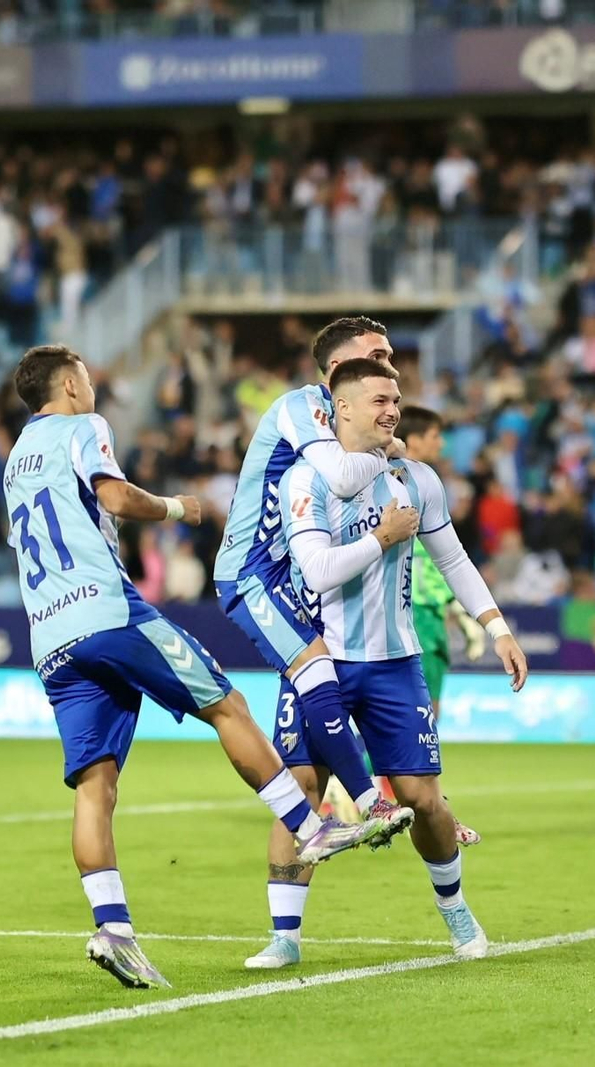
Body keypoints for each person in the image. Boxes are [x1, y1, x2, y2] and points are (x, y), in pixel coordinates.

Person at [4, 344, 392, 990]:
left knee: (95, 786)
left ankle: (114, 928)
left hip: (50, 636)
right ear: (70, 386)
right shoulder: (83, 427)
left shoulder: (16, 459)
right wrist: (177, 507)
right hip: (107, 612)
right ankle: (308, 825)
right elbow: (116, 497)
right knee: (227, 705)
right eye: (88, 378)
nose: (93, 389)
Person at [244, 358, 529, 970]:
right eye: (378, 399)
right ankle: (285, 936)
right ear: (340, 408)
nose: (391, 409)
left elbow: (453, 561)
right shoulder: (304, 479)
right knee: (301, 790)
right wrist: (381, 538)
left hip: (395, 664)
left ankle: (456, 913)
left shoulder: (416, 479)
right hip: (318, 659)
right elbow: (317, 570)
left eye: (395, 399)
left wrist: (496, 626)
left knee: (425, 798)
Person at [212, 317, 417, 850]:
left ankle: (353, 811)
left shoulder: (347, 420)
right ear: (338, 368)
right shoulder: (300, 406)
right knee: (316, 669)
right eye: (379, 356)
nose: (389, 366)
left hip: (293, 571)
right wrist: (380, 453)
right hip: (252, 571)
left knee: (318, 682)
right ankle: (367, 804)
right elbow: (344, 478)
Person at [397, 404, 484, 848]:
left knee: (422, 713)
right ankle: (401, 803)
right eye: (434, 435)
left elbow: (440, 561)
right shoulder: (396, 485)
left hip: (426, 612)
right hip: (409, 615)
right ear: (413, 440)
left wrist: (460, 612)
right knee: (416, 714)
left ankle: (379, 797)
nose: (441, 443)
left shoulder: (425, 486)